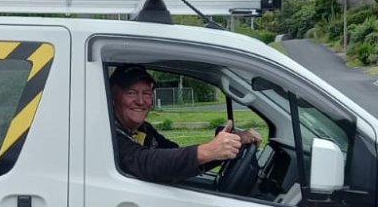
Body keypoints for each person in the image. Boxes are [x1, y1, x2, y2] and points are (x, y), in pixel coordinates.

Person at [108, 64, 262, 184]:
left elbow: (174, 157)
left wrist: (225, 149)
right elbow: (144, 162)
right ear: (113, 98)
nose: (141, 101)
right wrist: (208, 150)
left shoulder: (144, 129)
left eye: (146, 94)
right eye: (131, 93)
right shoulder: (108, 132)